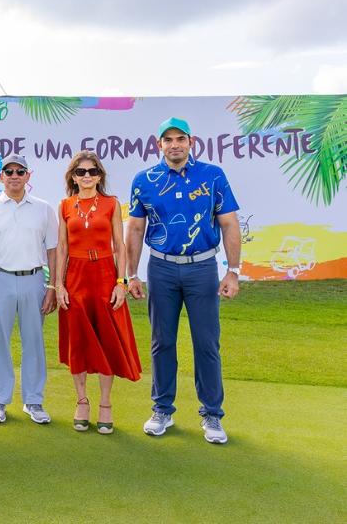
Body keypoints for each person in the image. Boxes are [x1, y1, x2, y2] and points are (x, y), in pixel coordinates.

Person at [126, 117, 241, 445]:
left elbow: (229, 224)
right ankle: (162, 409)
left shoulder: (212, 175)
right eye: (168, 139)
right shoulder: (144, 180)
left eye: (180, 139)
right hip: (161, 269)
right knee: (162, 341)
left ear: (191, 142)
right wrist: (131, 274)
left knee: (206, 343)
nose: (174, 144)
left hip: (202, 269)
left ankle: (212, 413)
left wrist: (233, 270)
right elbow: (135, 229)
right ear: (159, 144)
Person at [55, 151, 141, 434]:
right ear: (73, 177)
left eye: (92, 171)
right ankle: (81, 401)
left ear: (100, 176)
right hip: (75, 277)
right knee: (78, 341)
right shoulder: (65, 205)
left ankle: (105, 403)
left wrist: (121, 282)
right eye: (81, 172)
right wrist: (59, 285)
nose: (87, 176)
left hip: (105, 276)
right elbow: (62, 248)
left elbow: (120, 245)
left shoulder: (111, 203)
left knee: (107, 340)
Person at [0, 155, 58, 425]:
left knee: (34, 341)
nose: (14, 176)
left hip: (34, 279)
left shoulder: (44, 209)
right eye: (9, 171)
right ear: (1, 176)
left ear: (28, 176)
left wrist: (52, 286)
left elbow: (53, 251)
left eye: (20, 171)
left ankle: (34, 401)